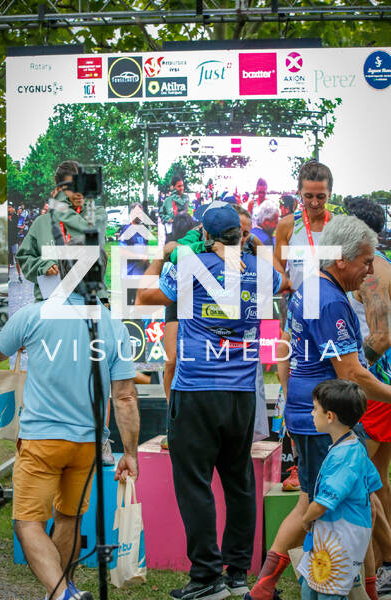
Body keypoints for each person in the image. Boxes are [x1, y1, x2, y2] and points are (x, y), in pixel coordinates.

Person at [137, 203, 289, 600]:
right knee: (239, 482)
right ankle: (237, 574)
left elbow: (145, 294)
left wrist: (162, 256)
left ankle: (206, 577)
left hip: (197, 389)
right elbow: (283, 282)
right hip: (241, 394)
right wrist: (252, 250)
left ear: (205, 234)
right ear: (242, 233)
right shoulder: (260, 270)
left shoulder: (191, 265)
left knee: (194, 483)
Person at [248, 215, 391, 600]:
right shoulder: (330, 300)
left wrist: (292, 399)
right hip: (326, 420)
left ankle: (364, 587)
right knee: (317, 505)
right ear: (342, 259)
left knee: (358, 500)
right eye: (366, 261)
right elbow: (351, 373)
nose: (370, 270)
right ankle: (268, 586)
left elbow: (287, 351)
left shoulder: (312, 287)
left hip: (313, 413)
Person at [0, 240, 139, 600]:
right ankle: (64, 590)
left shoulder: (35, 314)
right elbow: (124, 397)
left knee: (27, 522)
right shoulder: (113, 326)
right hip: (88, 443)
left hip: (42, 440)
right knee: (69, 517)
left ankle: (61, 594)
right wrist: (130, 453)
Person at [344, 197, 391, 597]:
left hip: (375, 386)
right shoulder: (380, 264)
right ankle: (383, 563)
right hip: (380, 385)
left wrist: (354, 373)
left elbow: (382, 335)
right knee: (377, 478)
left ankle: (383, 562)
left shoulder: (372, 274)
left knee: (361, 479)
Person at [297, 380, 382, 600]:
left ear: (330, 416)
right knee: (310, 586)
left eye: (315, 409)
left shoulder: (344, 457)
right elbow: (372, 488)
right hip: (334, 536)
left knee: (328, 592)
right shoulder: (354, 445)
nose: (312, 414)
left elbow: (322, 503)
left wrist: (306, 520)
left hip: (339, 540)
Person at [16, 160, 108, 304]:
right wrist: (43, 266)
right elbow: (23, 258)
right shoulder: (41, 222)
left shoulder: (98, 215)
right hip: (49, 302)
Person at [274, 161, 333, 292]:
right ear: (300, 192)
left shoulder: (340, 227)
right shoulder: (287, 225)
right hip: (299, 301)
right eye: (308, 196)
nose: (314, 202)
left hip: (332, 303)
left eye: (321, 196)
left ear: (329, 193)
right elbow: (278, 273)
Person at [118, 201, 150, 306]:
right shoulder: (126, 230)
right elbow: (122, 252)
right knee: (127, 305)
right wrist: (139, 257)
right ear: (131, 214)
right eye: (137, 212)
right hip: (128, 275)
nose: (139, 215)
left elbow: (145, 252)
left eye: (141, 213)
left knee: (139, 305)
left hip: (140, 276)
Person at [8, 203, 23, 283]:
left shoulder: (15, 216)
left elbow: (14, 226)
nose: (9, 209)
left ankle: (19, 275)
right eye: (8, 207)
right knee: (7, 259)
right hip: (7, 241)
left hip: (14, 240)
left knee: (16, 258)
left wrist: (20, 228)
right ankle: (7, 276)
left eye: (10, 207)